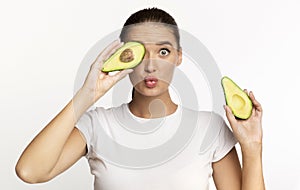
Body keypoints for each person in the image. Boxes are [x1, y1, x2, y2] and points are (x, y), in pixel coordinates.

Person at [15, 7, 265, 190]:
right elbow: (30, 171)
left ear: (179, 57)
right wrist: (86, 95)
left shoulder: (209, 128)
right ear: (124, 56)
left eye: (163, 51)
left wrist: (252, 148)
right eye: (138, 52)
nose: (150, 66)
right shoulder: (97, 125)